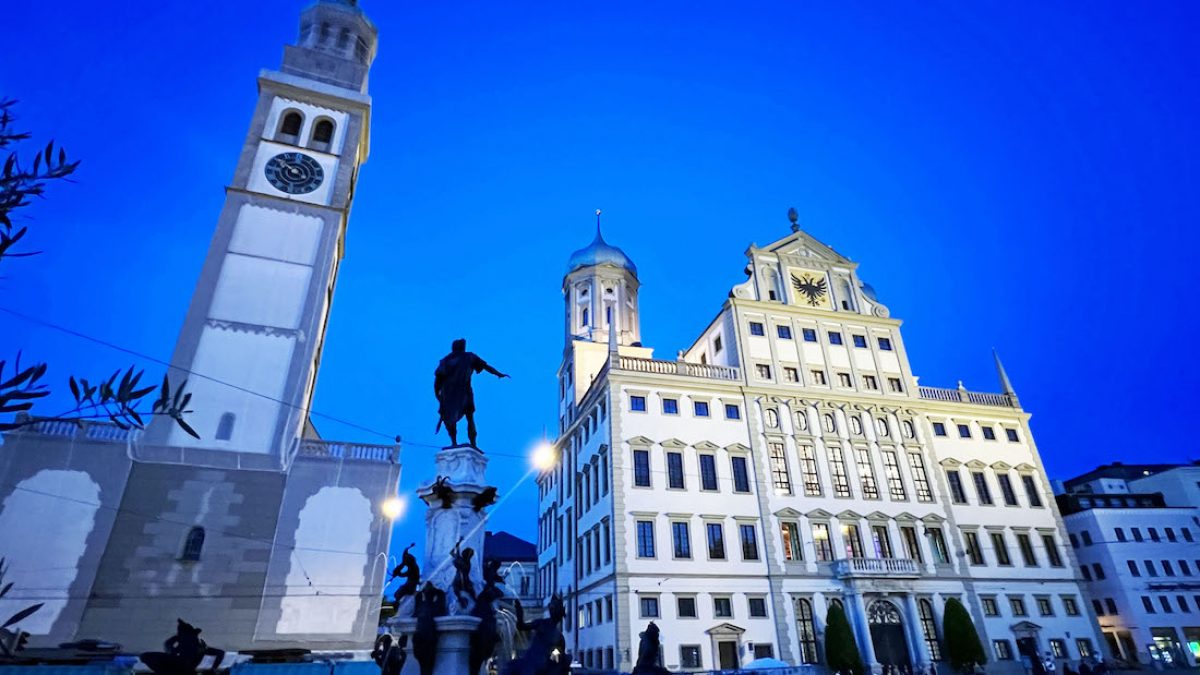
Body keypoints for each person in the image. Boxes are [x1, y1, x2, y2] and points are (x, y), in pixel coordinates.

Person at [434, 339, 509, 448]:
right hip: (463, 392)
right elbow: (486, 366)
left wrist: (438, 396)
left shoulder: (445, 361)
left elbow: (437, 382)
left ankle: (455, 442)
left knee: (451, 419)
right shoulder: (469, 357)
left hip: (449, 395)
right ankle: (472, 444)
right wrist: (498, 374)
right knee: (469, 417)